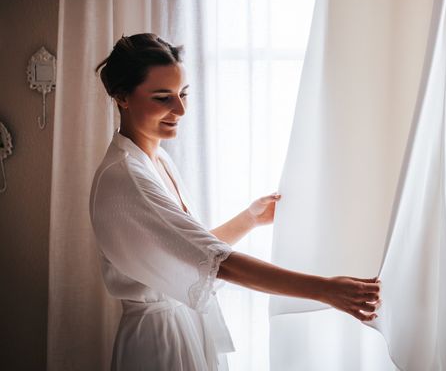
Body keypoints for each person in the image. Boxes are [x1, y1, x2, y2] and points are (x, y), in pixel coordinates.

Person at [89, 33, 382, 371]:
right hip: (159, 343)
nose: (181, 109)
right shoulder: (126, 178)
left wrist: (250, 218)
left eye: (183, 94)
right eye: (163, 97)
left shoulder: (156, 160)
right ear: (123, 97)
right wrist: (326, 290)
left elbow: (187, 252)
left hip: (182, 328)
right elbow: (217, 262)